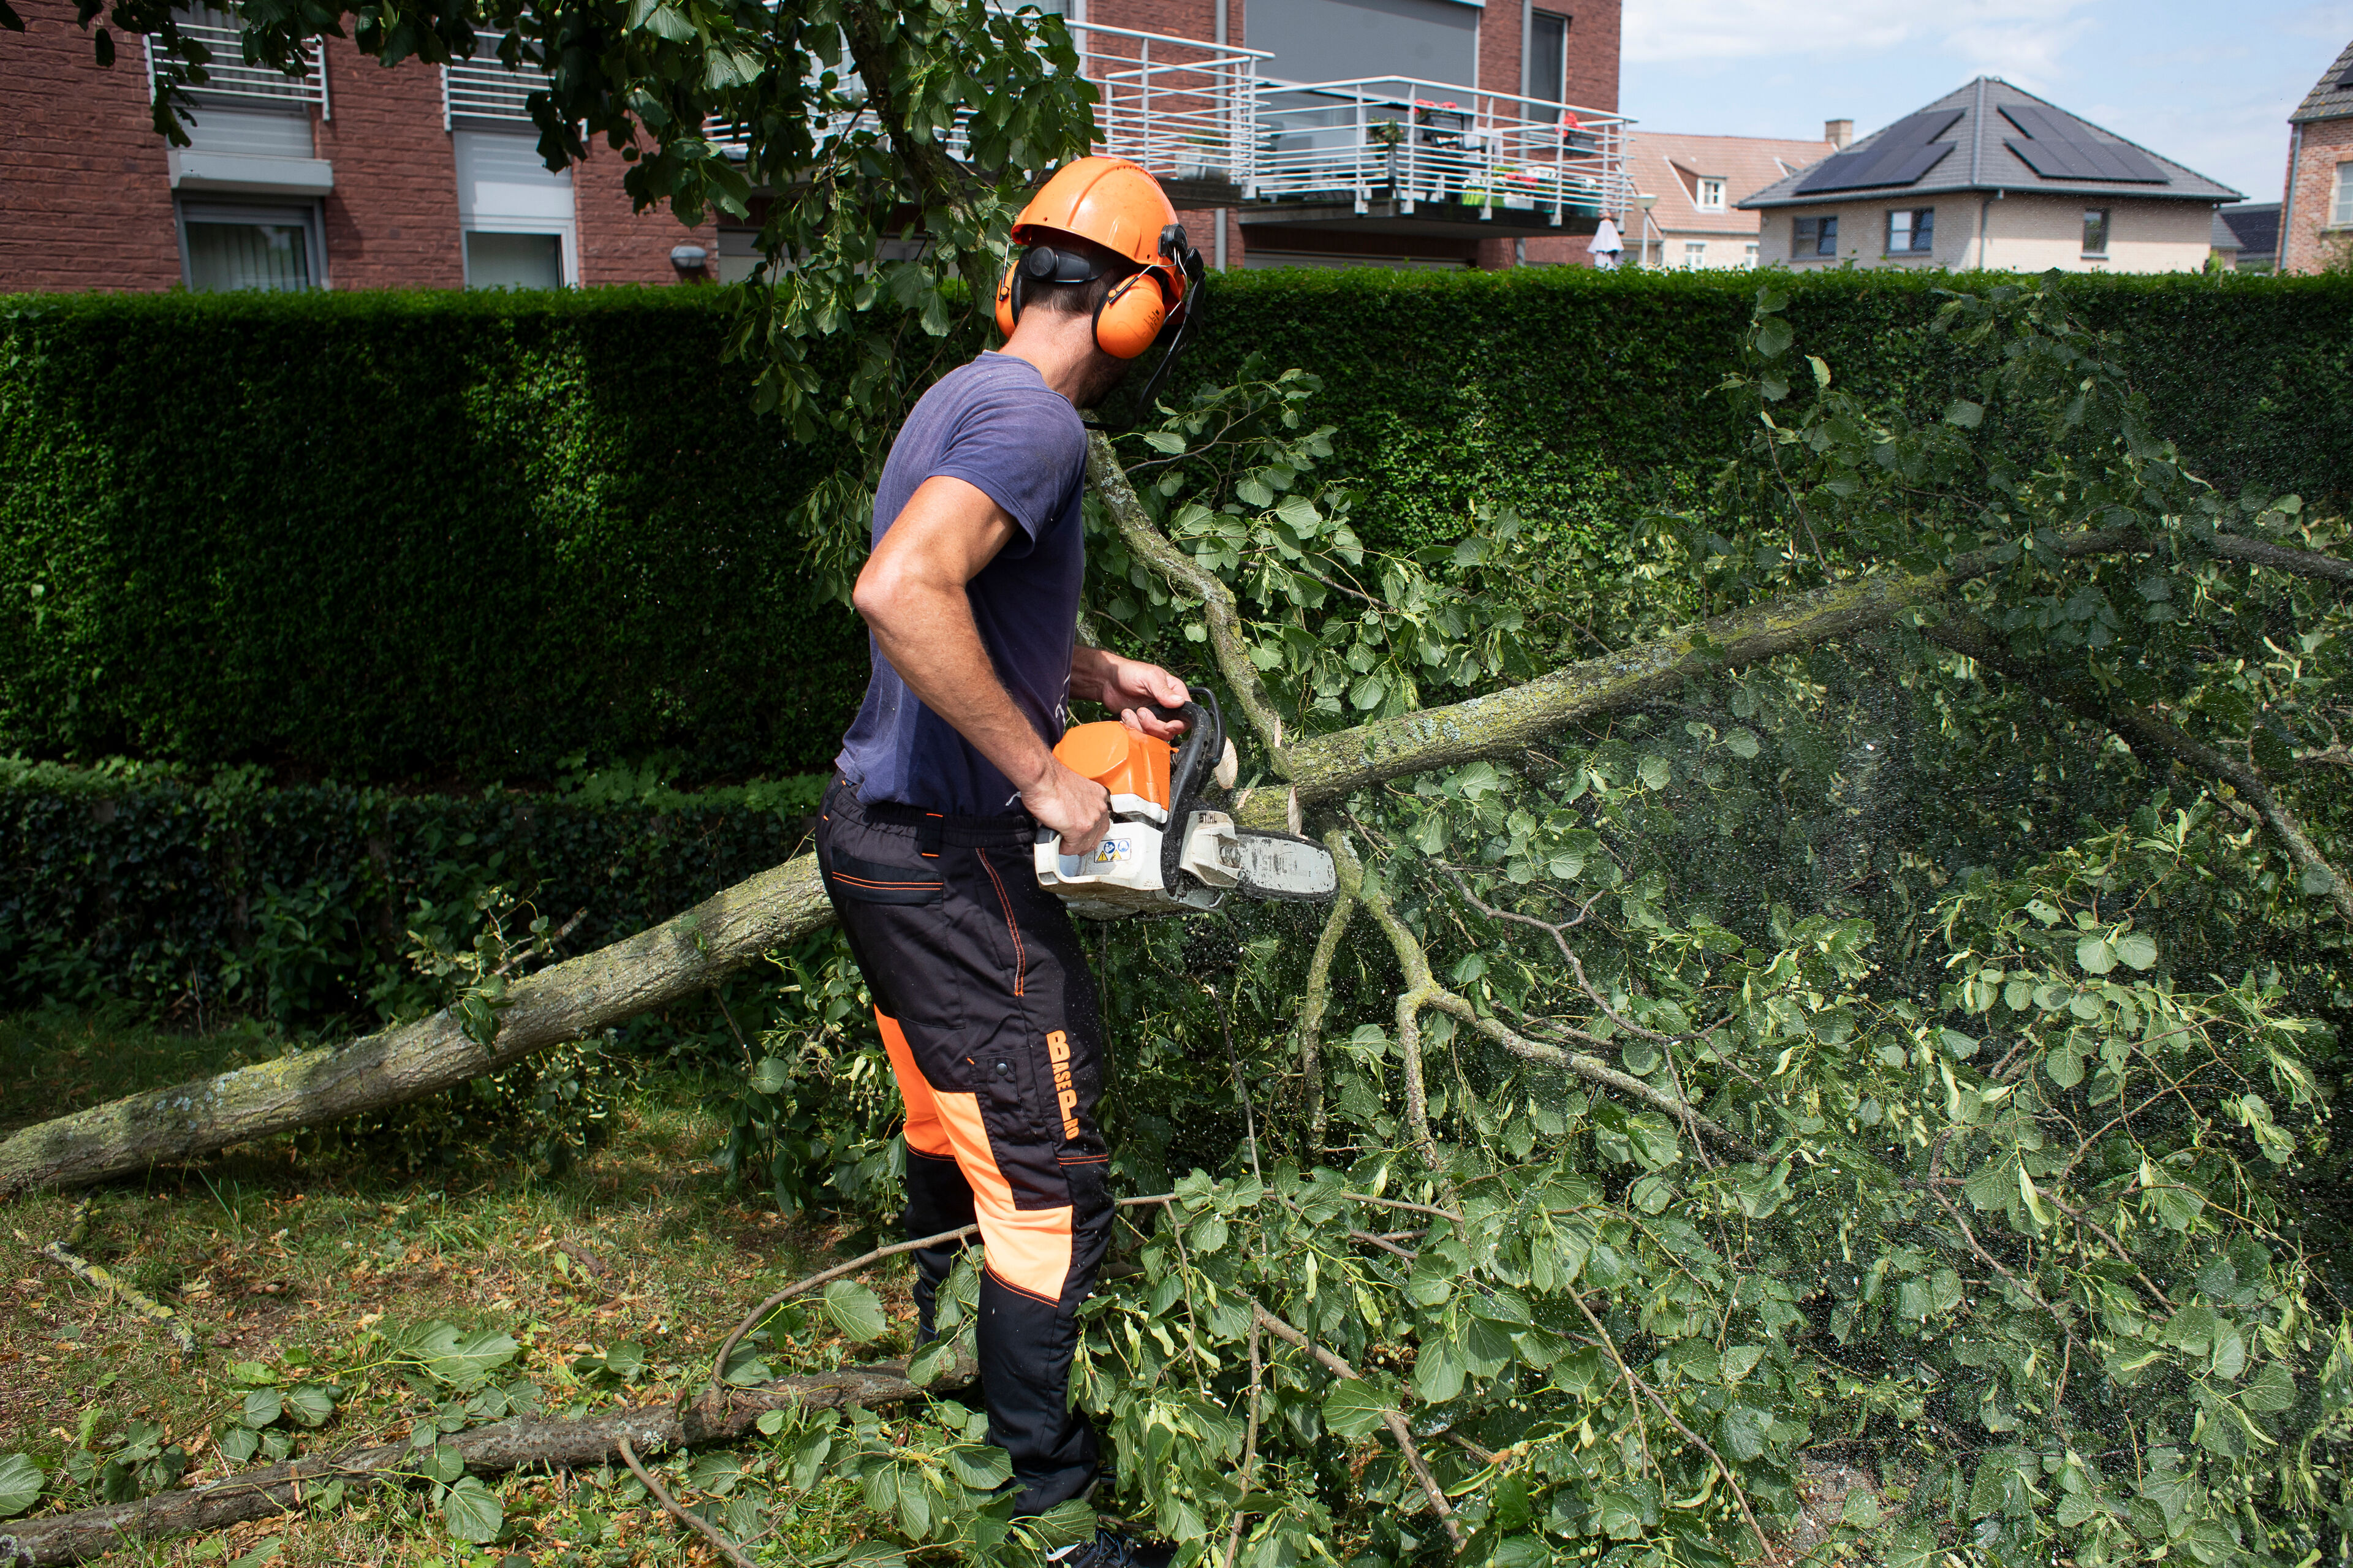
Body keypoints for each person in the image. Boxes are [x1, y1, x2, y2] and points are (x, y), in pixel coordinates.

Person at [814, 156, 1199, 1565]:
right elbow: (902, 588)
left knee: (951, 1120)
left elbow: (965, 588)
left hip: (876, 836)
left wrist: (1090, 672)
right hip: (947, 852)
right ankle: (1049, 1516)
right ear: (1138, 307)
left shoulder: (963, 395)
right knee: (1047, 1179)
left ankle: (939, 1363)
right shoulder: (1041, 425)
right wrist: (1046, 777)